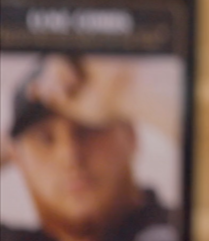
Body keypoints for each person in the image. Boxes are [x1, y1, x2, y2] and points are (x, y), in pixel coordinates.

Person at [0, 54, 180, 241]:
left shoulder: (192, 225)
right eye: (45, 139)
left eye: (88, 128)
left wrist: (127, 93)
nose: (70, 155)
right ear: (17, 159)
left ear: (131, 135)